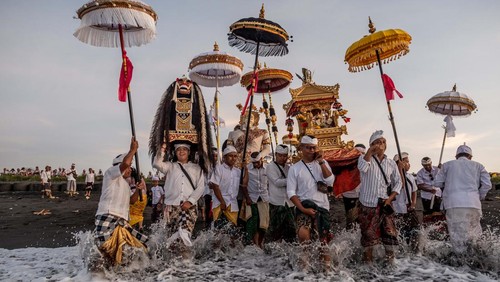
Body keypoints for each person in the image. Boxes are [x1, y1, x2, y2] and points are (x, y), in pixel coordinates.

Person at [94, 137, 148, 266]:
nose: (130, 169)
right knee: (104, 249)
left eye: (130, 167)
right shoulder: (110, 174)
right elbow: (124, 164)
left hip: (122, 221)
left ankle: (120, 274)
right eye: (129, 166)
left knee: (132, 248)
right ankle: (96, 276)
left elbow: (132, 201)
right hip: (108, 215)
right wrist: (133, 150)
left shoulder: (125, 184)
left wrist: (138, 190)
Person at [287, 135, 335, 270]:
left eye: (314, 148)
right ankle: (304, 271)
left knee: (323, 243)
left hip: (322, 208)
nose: (311, 150)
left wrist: (321, 162)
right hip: (304, 207)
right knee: (304, 237)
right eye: (308, 147)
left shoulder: (323, 163)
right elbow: (291, 192)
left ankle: (327, 272)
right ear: (301, 148)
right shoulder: (294, 168)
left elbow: (330, 181)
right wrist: (303, 209)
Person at [434, 144, 491, 253]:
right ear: (470, 156)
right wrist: (479, 196)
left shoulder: (447, 165)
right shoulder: (479, 166)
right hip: (473, 204)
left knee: (457, 236)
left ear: (456, 156)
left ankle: (460, 263)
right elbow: (487, 185)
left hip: (454, 204)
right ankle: (477, 259)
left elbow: (437, 183)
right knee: (475, 234)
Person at [357, 130, 402, 264]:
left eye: (383, 142)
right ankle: (368, 267)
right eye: (378, 142)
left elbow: (398, 182)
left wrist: (390, 198)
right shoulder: (364, 158)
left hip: (385, 203)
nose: (382, 144)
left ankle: (390, 265)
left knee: (389, 237)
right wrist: (370, 152)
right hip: (368, 205)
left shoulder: (391, 163)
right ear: (371, 145)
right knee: (368, 240)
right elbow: (363, 168)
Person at [153, 142, 205, 248]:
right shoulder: (170, 166)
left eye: (184, 149)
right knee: (172, 238)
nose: (181, 151)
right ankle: (174, 263)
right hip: (171, 206)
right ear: (175, 152)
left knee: (184, 234)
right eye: (179, 149)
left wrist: (190, 201)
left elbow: (201, 187)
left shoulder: (196, 168)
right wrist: (163, 148)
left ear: (189, 152)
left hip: (189, 207)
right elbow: (157, 164)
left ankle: (187, 261)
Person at [267, 144, 296, 243]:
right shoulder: (270, 167)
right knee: (275, 229)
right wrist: (291, 180)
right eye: (280, 156)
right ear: (276, 155)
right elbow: (277, 182)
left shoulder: (289, 168)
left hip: (289, 202)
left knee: (291, 229)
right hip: (277, 203)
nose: (282, 158)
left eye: (284, 156)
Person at [241, 151, 270, 248]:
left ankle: (261, 243)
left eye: (257, 162)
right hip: (252, 199)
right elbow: (243, 186)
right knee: (253, 223)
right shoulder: (247, 169)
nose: (256, 164)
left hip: (264, 199)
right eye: (254, 163)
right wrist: (247, 198)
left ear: (261, 160)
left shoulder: (268, 168)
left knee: (263, 224)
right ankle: (255, 244)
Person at [393, 152, 420, 253]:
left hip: (409, 208)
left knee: (415, 230)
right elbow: (401, 185)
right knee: (400, 231)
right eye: (407, 162)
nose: (409, 164)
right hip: (398, 208)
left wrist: (413, 203)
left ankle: (415, 250)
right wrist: (399, 169)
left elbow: (414, 191)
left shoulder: (411, 177)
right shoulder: (393, 176)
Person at [209, 145, 241, 229]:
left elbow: (244, 183)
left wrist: (246, 169)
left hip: (232, 204)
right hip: (220, 202)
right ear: (224, 157)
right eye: (230, 156)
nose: (233, 158)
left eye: (235, 156)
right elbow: (215, 186)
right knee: (218, 230)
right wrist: (222, 202)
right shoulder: (219, 169)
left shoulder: (238, 171)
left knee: (233, 229)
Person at [339, 144, 366, 230]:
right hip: (350, 195)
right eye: (358, 153)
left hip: (365, 196)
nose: (360, 156)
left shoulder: (367, 165)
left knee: (364, 222)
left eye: (363, 153)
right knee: (351, 222)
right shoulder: (346, 165)